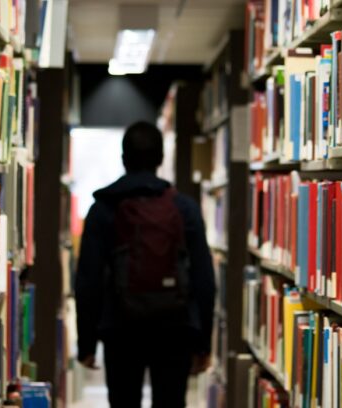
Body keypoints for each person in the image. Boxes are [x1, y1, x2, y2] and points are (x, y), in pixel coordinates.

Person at [75, 121, 216, 408]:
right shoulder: (184, 207)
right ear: (161, 159)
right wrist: (203, 342)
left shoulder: (103, 208)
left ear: (123, 158)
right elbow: (204, 278)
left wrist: (87, 343)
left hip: (120, 328)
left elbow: (88, 280)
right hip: (174, 328)